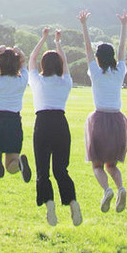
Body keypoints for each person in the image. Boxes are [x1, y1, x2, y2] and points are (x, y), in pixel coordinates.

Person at [78, 9, 127, 213]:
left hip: (99, 119)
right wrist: (124, 25)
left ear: (99, 59)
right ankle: (121, 187)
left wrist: (84, 25)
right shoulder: (119, 72)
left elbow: (87, 49)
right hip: (118, 120)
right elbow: (122, 49)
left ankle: (107, 190)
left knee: (97, 165)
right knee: (112, 165)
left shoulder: (95, 72)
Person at [28, 28, 82, 226]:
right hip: (61, 124)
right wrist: (58, 43)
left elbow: (31, 59)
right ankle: (72, 202)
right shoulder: (65, 82)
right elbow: (65, 64)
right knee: (61, 169)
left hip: (42, 123)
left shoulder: (37, 81)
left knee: (43, 170)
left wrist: (43, 39)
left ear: (43, 65)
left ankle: (49, 204)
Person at [0, 44, 31, 181]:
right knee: (11, 165)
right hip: (14, 122)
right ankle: (20, 165)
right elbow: (24, 61)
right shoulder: (21, 80)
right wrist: (19, 52)